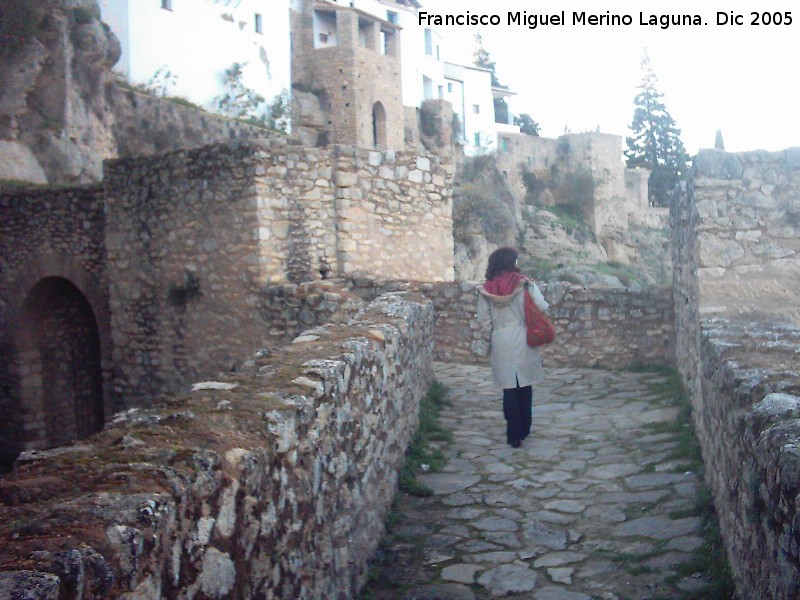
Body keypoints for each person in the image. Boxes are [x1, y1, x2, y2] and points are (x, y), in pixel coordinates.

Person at [477, 247, 550, 448]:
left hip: (501, 339)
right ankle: (525, 427)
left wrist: (488, 341)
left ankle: (513, 433)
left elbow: (484, 321)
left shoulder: (486, 289)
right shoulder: (525, 284)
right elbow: (543, 306)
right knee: (525, 385)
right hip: (523, 337)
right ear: (511, 262)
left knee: (509, 388)